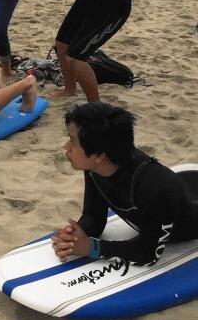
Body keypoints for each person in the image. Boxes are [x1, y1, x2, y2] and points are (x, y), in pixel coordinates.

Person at [53, 102, 198, 266]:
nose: (66, 146)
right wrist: (72, 238)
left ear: (99, 155)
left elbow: (148, 254)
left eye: (73, 141)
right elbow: (93, 219)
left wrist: (92, 248)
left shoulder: (156, 190)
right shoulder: (95, 167)